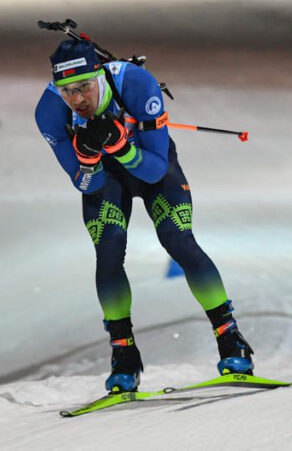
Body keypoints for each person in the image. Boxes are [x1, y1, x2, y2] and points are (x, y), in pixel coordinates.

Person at [34, 38, 254, 392]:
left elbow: (153, 171)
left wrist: (121, 146)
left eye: (84, 87)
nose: (78, 100)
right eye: (67, 91)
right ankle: (123, 354)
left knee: (178, 240)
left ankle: (230, 336)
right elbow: (86, 185)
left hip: (149, 161)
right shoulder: (49, 111)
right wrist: (89, 159)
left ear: (100, 76)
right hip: (107, 178)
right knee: (108, 249)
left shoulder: (135, 84)